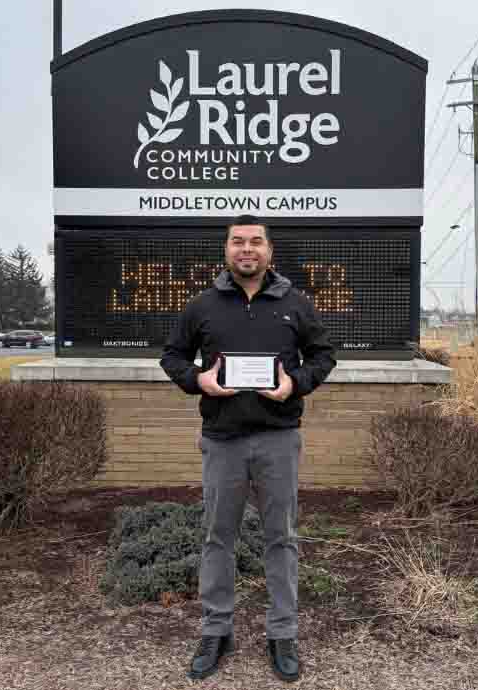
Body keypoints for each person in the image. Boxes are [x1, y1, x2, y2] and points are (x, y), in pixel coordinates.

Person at [160, 214, 336, 682]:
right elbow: (171, 356)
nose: (246, 249)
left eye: (255, 241)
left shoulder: (296, 304)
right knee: (218, 538)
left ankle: (283, 634)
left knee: (282, 538)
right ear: (227, 249)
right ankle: (216, 631)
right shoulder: (202, 306)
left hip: (279, 438)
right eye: (238, 241)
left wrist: (294, 383)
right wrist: (197, 380)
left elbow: (324, 356)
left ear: (269, 250)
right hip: (223, 441)